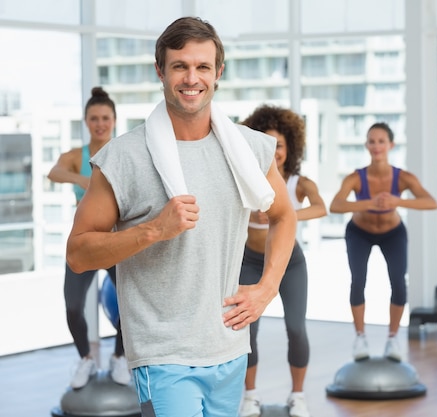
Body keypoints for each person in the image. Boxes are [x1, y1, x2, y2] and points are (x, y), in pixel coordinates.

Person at [65, 17, 297, 417]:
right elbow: (78, 253)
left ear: (218, 72)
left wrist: (266, 287)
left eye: (202, 67)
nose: (192, 78)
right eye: (180, 66)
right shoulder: (123, 158)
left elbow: (283, 216)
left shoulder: (251, 149)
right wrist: (154, 229)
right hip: (162, 353)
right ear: (161, 71)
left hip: (228, 346)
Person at [238, 105, 327, 417]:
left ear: (290, 148)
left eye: (279, 145)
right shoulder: (244, 179)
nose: (273, 152)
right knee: (246, 331)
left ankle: (298, 396)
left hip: (290, 262)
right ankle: (250, 396)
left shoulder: (297, 183)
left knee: (296, 328)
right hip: (249, 260)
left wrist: (286, 214)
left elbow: (321, 208)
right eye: (266, 144)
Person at [329, 122, 437, 362]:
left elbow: (431, 202)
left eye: (381, 141)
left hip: (392, 233)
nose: (376, 146)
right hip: (359, 232)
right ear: (367, 145)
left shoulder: (403, 178)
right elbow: (335, 205)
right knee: (358, 281)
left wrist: (397, 202)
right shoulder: (356, 178)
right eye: (371, 141)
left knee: (399, 283)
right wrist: (368, 203)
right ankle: (360, 337)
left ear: (391, 145)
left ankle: (392, 338)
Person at [47, 87, 130, 389]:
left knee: (132, 305)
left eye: (105, 118)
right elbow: (54, 172)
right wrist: (83, 178)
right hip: (84, 244)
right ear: (86, 121)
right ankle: (85, 359)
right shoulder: (76, 157)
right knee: (72, 306)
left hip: (115, 243)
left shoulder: (123, 154)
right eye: (94, 118)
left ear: (114, 120)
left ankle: (120, 357)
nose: (100, 124)